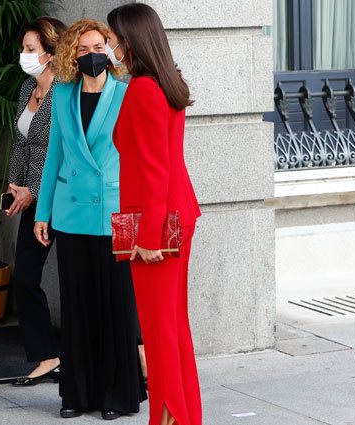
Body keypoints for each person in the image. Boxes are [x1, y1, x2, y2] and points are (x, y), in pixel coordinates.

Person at [33, 19, 146, 421]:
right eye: (82, 49)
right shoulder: (62, 94)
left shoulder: (129, 93)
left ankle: (117, 395)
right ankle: (76, 395)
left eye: (98, 46)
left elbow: (142, 157)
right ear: (72, 55)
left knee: (116, 306)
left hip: (119, 213)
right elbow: (53, 157)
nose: (91, 54)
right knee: (78, 307)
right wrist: (42, 213)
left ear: (111, 50)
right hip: (72, 212)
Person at [108, 4, 203, 425]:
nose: (110, 47)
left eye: (112, 39)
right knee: (173, 325)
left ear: (130, 42)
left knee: (160, 328)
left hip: (156, 220)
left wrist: (147, 237)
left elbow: (153, 169)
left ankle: (167, 417)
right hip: (174, 212)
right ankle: (183, 415)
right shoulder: (168, 82)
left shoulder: (144, 89)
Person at [6, 16, 67, 387]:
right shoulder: (28, 86)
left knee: (83, 281)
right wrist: (15, 182)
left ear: (51, 51)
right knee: (26, 278)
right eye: (24, 49)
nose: (24, 55)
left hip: (61, 196)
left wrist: (35, 189)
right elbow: (22, 141)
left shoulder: (67, 90)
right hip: (31, 200)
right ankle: (48, 356)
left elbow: (58, 149)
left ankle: (126, 350)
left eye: (31, 50)